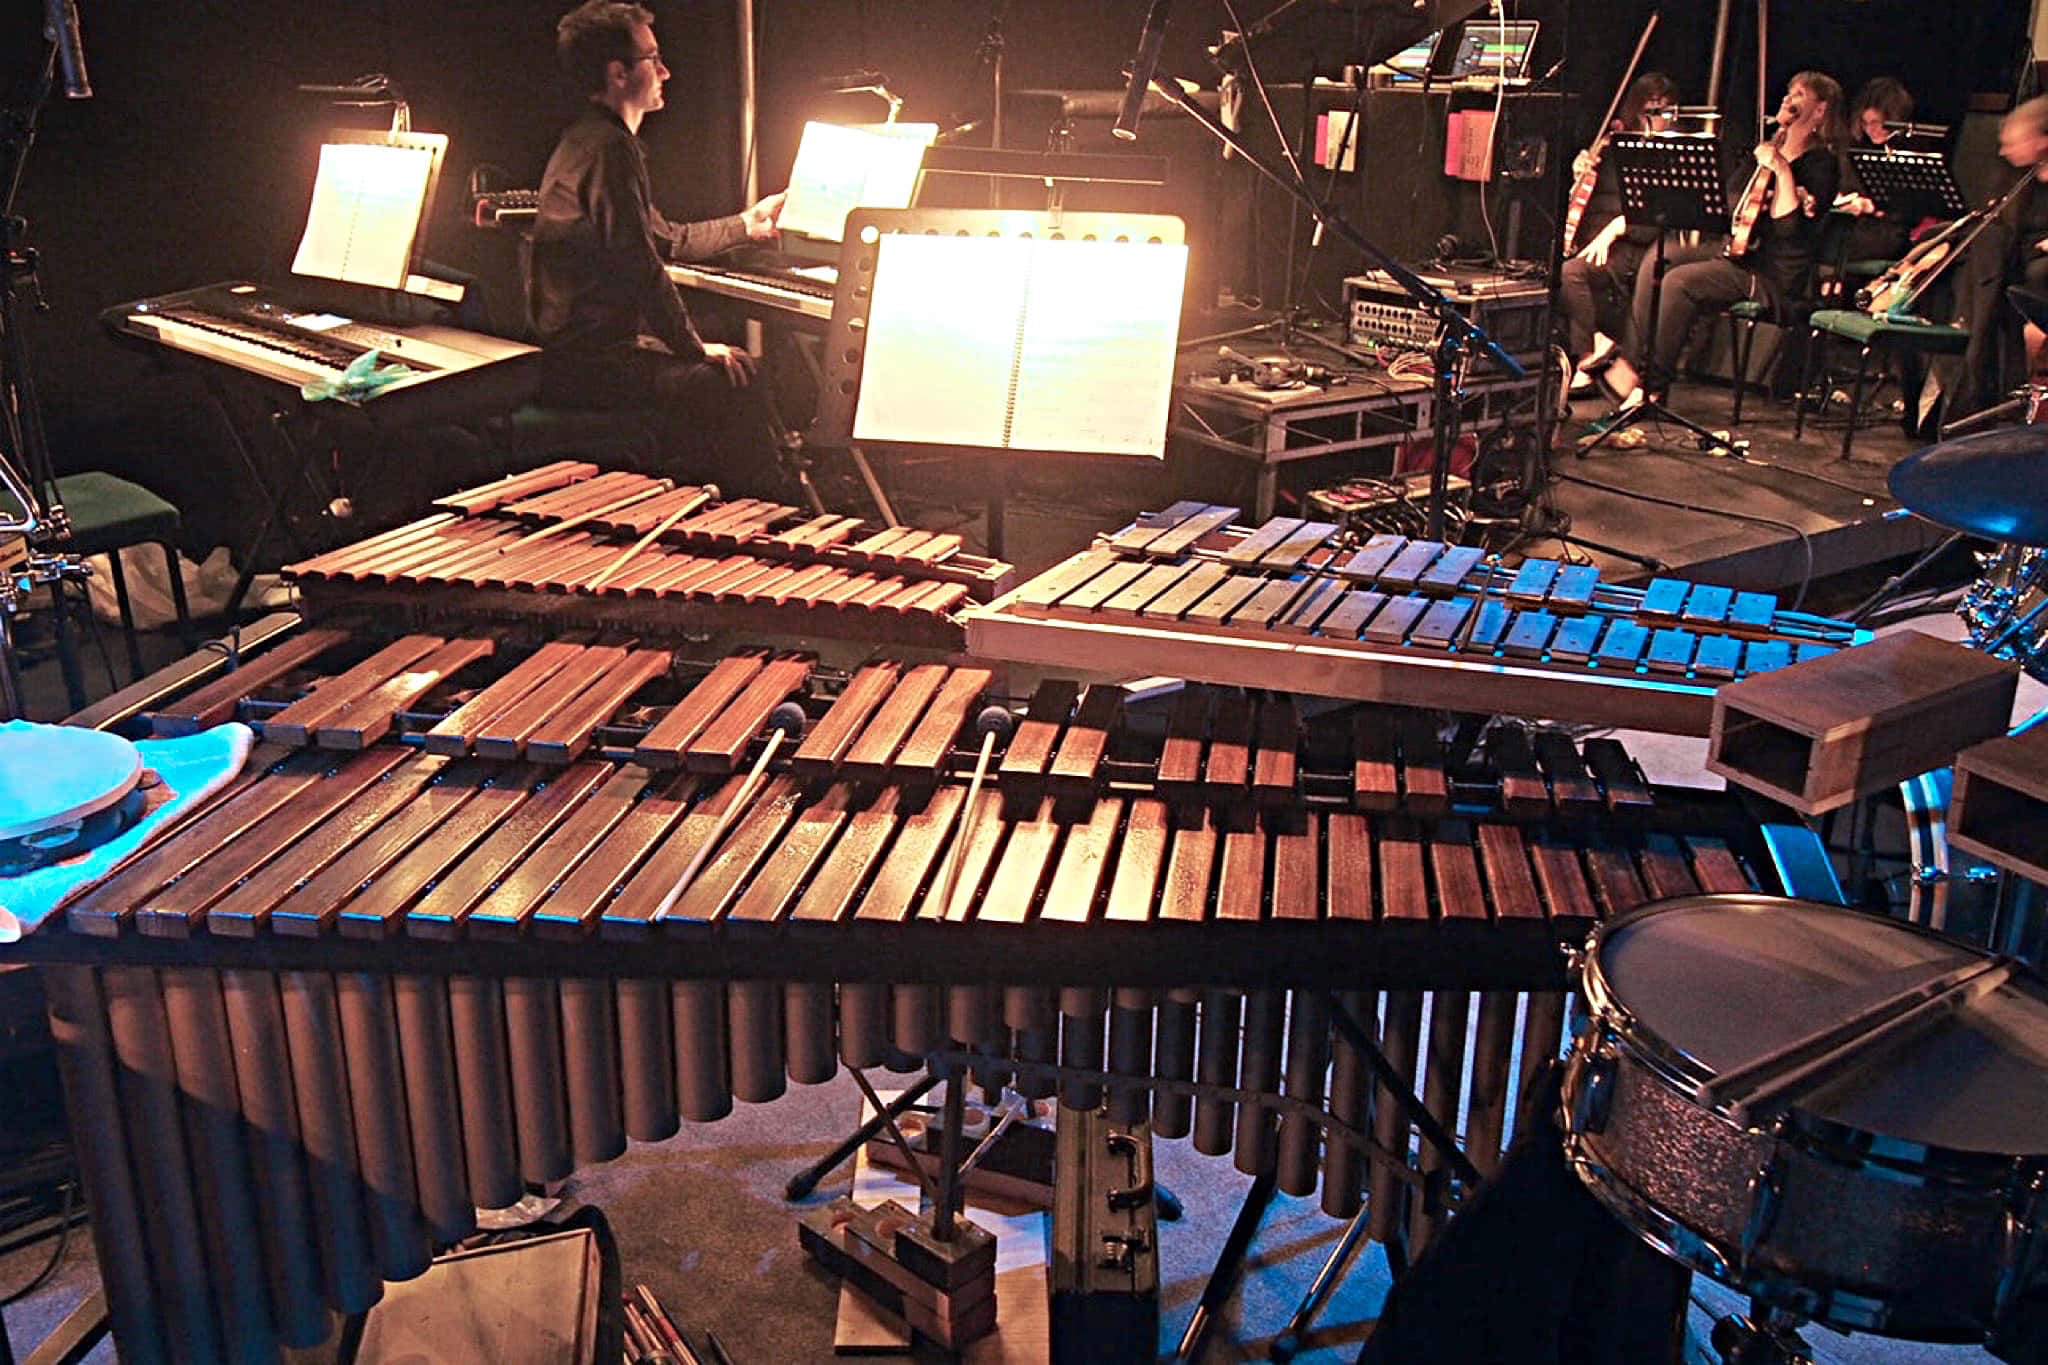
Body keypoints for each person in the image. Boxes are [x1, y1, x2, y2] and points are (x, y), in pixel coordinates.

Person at [527, 1, 786, 475]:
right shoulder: (610, 150)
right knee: (735, 374)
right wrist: (693, 346)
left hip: (582, 359)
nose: (665, 70)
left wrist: (746, 225)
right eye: (653, 58)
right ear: (618, 73)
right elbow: (639, 269)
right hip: (590, 369)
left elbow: (665, 239)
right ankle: (767, 515)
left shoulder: (588, 141)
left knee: (726, 367)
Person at [1601, 72, 1845, 411]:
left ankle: (1652, 386)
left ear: (1820, 111)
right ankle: (1631, 363)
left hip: (1774, 275)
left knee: (1679, 283)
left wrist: (1783, 172)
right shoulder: (1765, 150)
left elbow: (1789, 229)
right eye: (1789, 91)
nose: (1789, 98)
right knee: (1661, 258)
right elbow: (1729, 199)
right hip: (1741, 253)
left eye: (1800, 93)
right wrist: (1765, 165)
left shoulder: (1821, 164)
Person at [1557, 72, 1681, 396]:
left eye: (1666, 111)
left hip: (1631, 241)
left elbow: (1654, 218)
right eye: (1651, 111)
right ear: (1636, 111)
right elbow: (1583, 200)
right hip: (1592, 235)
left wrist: (1614, 229)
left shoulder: (1671, 156)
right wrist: (1580, 173)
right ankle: (1591, 347)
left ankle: (1587, 357)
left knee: (1570, 273)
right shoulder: (1613, 148)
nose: (1660, 120)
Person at [1935, 95, 2048, 419]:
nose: (2003, 152)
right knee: (1980, 257)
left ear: (2042, 141)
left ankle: (1975, 371)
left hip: (2039, 272)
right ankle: (1967, 375)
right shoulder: (2017, 178)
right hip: (2014, 265)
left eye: (2014, 142)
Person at [1836, 77, 1916, 263]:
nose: (1870, 129)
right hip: (1854, 226)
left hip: (1886, 233)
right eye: (1865, 123)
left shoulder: (1909, 154)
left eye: (1876, 122)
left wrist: (1869, 206)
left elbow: (1908, 210)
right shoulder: (1855, 152)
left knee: (1828, 245)